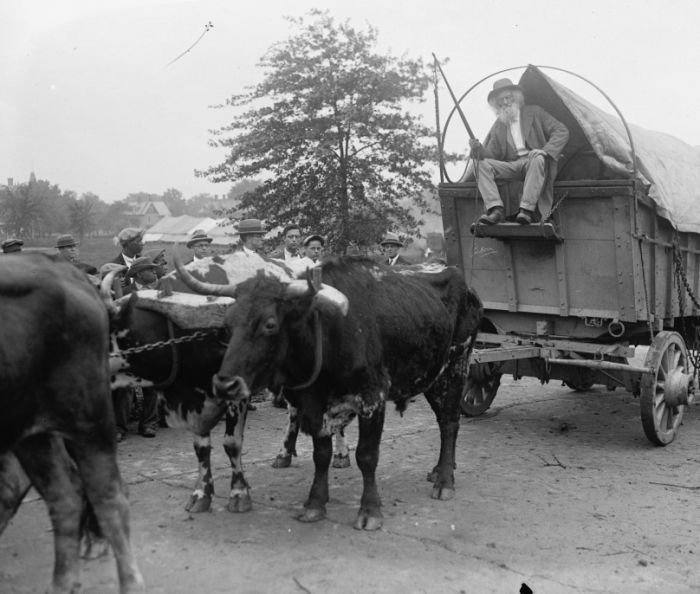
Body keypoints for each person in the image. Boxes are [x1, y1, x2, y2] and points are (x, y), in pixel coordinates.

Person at [462, 78, 569, 225]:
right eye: (501, 100)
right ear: (496, 104)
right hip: (512, 166)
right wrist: (478, 149)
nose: (505, 102)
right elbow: (491, 155)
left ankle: (526, 211)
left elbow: (561, 131)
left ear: (516, 97)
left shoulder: (535, 112)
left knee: (537, 159)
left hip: (534, 163)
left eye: (508, 97)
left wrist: (544, 151)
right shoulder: (499, 124)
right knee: (479, 164)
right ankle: (496, 209)